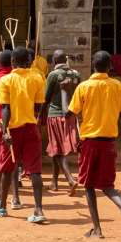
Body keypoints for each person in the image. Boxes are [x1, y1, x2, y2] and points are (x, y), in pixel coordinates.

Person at [68, 50, 121, 239]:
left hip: (90, 142)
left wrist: (65, 92)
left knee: (89, 185)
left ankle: (97, 229)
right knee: (107, 185)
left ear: (93, 65)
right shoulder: (116, 85)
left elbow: (70, 113)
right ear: (109, 67)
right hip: (109, 143)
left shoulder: (83, 87)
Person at [0, 47, 48, 222]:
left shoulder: (6, 80)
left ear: (12, 61)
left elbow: (5, 108)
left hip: (13, 129)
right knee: (35, 170)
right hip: (31, 127)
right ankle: (38, 210)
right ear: (29, 61)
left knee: (8, 167)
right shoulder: (37, 77)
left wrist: (5, 129)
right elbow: (39, 106)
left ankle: (2, 205)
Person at [0, 50, 23, 209]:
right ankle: (14, 197)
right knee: (14, 159)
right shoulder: (21, 77)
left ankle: (0, 195)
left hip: (3, 122)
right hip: (20, 122)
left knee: (3, 158)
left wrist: (3, 123)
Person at [42, 49, 81, 195]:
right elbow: (79, 94)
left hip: (54, 115)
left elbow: (46, 98)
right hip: (70, 116)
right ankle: (54, 182)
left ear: (54, 61)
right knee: (56, 148)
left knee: (56, 149)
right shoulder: (76, 74)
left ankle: (70, 179)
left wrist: (39, 115)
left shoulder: (52, 75)